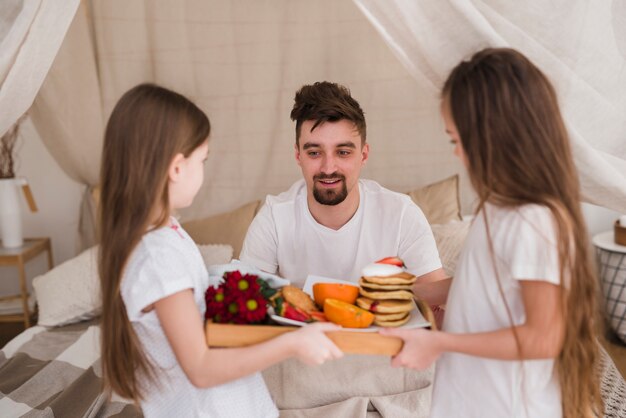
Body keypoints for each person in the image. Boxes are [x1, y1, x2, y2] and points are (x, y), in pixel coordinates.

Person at [98, 84, 343, 418]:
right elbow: (200, 367)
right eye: (203, 160)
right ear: (176, 167)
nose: (203, 171)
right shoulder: (157, 255)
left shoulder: (164, 233)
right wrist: (292, 344)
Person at [382, 48, 603, 417]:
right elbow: (482, 285)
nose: (456, 153)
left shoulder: (534, 220)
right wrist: (409, 289)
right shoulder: (498, 207)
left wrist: (440, 343)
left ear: (494, 135)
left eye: (457, 140)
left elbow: (543, 337)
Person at [240, 81, 447, 288]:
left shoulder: (401, 214)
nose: (328, 168)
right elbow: (246, 304)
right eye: (314, 153)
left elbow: (436, 301)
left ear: (363, 155)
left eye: (343, 152)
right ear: (298, 155)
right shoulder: (273, 219)